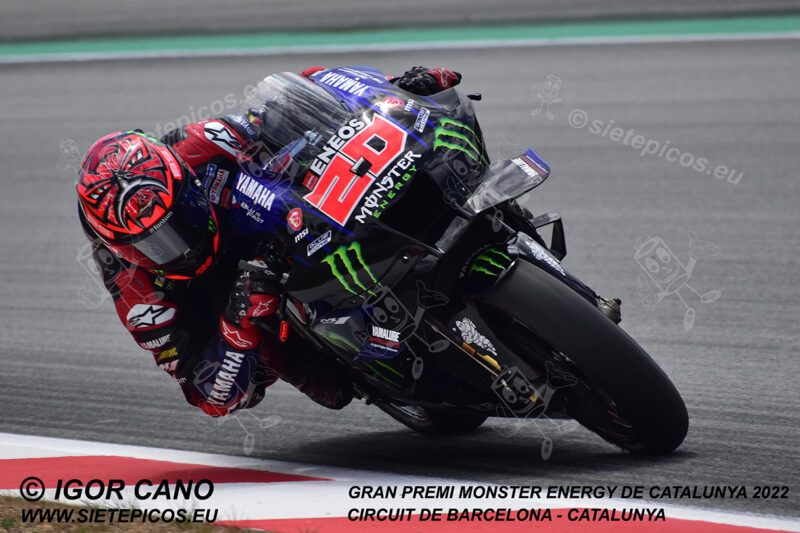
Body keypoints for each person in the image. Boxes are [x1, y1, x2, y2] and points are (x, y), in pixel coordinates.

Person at [75, 66, 462, 417]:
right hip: (226, 296)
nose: (181, 246)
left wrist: (394, 90)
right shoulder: (134, 290)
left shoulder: (196, 145)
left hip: (275, 225)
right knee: (330, 387)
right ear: (121, 248)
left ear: (185, 183)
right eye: (153, 245)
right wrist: (236, 326)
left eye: (181, 219)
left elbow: (297, 102)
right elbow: (210, 395)